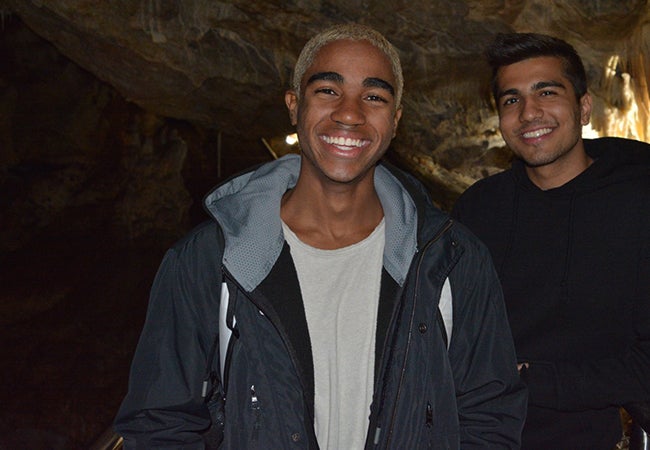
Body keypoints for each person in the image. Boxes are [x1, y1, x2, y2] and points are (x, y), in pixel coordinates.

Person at [114, 23, 527, 449]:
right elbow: (160, 420)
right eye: (328, 90)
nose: (349, 113)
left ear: (396, 120)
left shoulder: (453, 261)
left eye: (374, 96)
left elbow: (489, 416)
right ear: (294, 106)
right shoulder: (208, 261)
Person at [452, 32, 650, 449]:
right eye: (511, 100)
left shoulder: (637, 201)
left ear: (583, 107)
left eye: (547, 92)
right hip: (483, 434)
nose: (529, 112)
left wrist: (526, 377)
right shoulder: (478, 210)